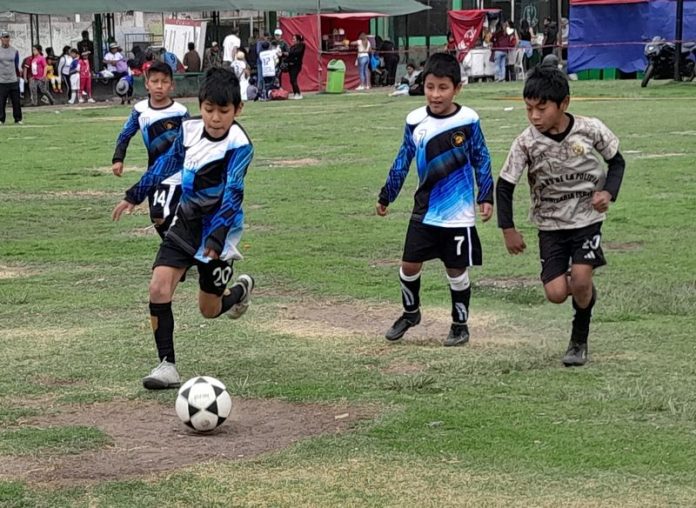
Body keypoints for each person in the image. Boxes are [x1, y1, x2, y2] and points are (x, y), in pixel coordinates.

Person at [111, 67, 256, 389]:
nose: (215, 118)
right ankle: (167, 365)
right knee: (158, 287)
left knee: (209, 309)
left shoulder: (240, 144)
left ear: (238, 110)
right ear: (200, 105)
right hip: (186, 220)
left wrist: (217, 238)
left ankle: (240, 291)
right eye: (208, 110)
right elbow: (166, 164)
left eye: (224, 111)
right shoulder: (189, 129)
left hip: (221, 229)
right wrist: (135, 194)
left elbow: (233, 191)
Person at [495, 63, 625, 366]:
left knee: (580, 280)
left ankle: (579, 340)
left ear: (564, 103)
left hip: (586, 220)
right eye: (529, 109)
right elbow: (505, 186)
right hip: (550, 225)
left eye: (542, 109)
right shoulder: (525, 142)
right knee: (555, 293)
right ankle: (585, 289)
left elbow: (616, 163)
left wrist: (608, 193)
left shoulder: (590, 129)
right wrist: (508, 229)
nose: (535, 116)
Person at [376, 53, 494, 347]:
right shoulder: (415, 121)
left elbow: (481, 157)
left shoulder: (468, 120)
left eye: (443, 87)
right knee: (409, 265)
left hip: (457, 212)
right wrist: (386, 195)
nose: (435, 94)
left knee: (455, 270)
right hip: (424, 209)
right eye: (430, 87)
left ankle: (459, 324)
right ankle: (410, 312)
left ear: (457, 88)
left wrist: (485, 195)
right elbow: (403, 160)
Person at [111, 61, 189, 239]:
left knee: (159, 213)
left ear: (172, 85)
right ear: (147, 84)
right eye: (155, 81)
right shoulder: (140, 110)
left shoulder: (180, 112)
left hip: (177, 171)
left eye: (164, 81)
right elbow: (125, 135)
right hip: (153, 172)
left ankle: (177, 251)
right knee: (158, 216)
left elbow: (190, 142)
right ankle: (180, 247)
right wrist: (118, 159)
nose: (159, 86)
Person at [0, 31, 23, 125]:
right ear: (1, 39)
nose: (6, 39)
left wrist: (18, 77)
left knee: (16, 101)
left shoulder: (14, 51)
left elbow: (17, 65)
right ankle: (1, 119)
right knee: (1, 102)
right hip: (1, 80)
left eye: (7, 37)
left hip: (13, 79)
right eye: (4, 37)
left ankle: (18, 118)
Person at [286, 34, 305, 99]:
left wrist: (289, 53)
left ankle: (298, 93)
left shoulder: (302, 46)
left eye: (294, 39)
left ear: (298, 40)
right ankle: (295, 93)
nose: (293, 40)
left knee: (293, 79)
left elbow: (297, 53)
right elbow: (289, 55)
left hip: (296, 65)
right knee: (291, 80)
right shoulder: (292, 47)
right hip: (291, 65)